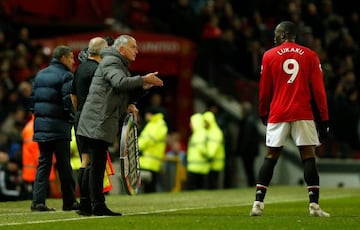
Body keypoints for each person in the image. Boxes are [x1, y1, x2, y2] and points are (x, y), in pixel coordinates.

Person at [76, 34, 163, 216]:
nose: (137, 50)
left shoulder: (117, 64)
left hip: (98, 120)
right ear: (121, 49)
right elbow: (120, 83)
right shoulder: (112, 63)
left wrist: (142, 88)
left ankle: (86, 205)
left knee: (93, 163)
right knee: (96, 164)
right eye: (133, 47)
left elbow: (122, 94)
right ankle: (97, 204)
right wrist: (143, 79)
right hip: (97, 121)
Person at [250, 21, 330, 217]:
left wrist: (262, 112)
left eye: (277, 34)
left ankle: (258, 204)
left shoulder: (269, 56)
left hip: (278, 113)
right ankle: (314, 206)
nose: (274, 38)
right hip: (302, 112)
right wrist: (324, 118)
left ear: (285, 34)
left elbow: (264, 89)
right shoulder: (310, 55)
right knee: (308, 156)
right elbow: (319, 91)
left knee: (270, 156)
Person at [30, 45, 78, 211]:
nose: (73, 61)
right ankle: (69, 201)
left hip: (42, 126)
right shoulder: (66, 76)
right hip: (59, 128)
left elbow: (32, 102)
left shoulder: (40, 75)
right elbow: (67, 102)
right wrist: (72, 118)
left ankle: (38, 202)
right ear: (63, 58)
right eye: (71, 57)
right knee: (64, 165)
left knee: (44, 163)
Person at [70, 37, 108, 215]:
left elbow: (73, 96)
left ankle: (84, 203)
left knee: (85, 160)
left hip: (79, 117)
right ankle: (95, 203)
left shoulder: (80, 68)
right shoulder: (98, 70)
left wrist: (80, 112)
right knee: (94, 161)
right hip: (93, 119)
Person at [138, 107, 168, 193]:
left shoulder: (158, 124)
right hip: (148, 160)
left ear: (151, 114)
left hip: (151, 161)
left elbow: (149, 139)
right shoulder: (153, 124)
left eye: (147, 113)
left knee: (150, 187)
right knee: (147, 187)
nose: (145, 116)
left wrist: (136, 147)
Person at [236, 101, 260, 187]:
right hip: (251, 151)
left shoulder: (247, 122)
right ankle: (251, 184)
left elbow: (246, 138)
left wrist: (241, 150)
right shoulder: (252, 120)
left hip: (248, 151)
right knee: (250, 169)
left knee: (249, 169)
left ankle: (251, 184)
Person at [186, 113, 210, 190]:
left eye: (191, 122)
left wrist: (207, 156)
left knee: (193, 188)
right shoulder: (199, 133)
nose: (190, 124)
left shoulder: (199, 134)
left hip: (197, 167)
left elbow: (202, 148)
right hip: (197, 166)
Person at [203, 111, 225, 189]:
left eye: (205, 121)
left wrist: (208, 155)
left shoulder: (215, 132)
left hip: (215, 162)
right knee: (210, 182)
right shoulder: (209, 131)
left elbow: (213, 147)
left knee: (213, 183)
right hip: (211, 162)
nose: (204, 123)